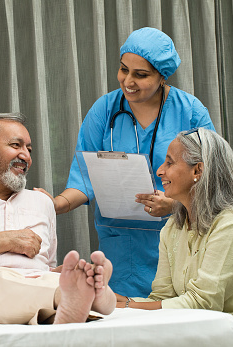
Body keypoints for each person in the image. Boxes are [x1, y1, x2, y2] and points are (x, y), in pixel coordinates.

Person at [35, 27, 215, 297]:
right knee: (127, 322)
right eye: (123, 70)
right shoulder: (104, 110)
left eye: (141, 75)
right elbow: (85, 177)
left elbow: (213, 180)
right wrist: (55, 204)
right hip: (122, 247)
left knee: (176, 321)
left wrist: (175, 205)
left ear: (162, 76)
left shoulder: (190, 112)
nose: (128, 81)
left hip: (181, 236)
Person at [0, 113, 116, 324]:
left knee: (53, 276)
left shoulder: (42, 203)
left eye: (29, 149)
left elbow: (46, 264)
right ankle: (67, 298)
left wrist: (61, 273)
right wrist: (0, 242)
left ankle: (89, 295)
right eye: (16, 145)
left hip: (36, 283)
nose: (26, 156)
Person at [115, 128, 233, 347]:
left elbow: (204, 303)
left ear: (197, 170)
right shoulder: (173, 227)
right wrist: (118, 301)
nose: (160, 171)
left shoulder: (231, 224)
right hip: (200, 326)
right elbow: (163, 298)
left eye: (169, 163)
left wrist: (128, 307)